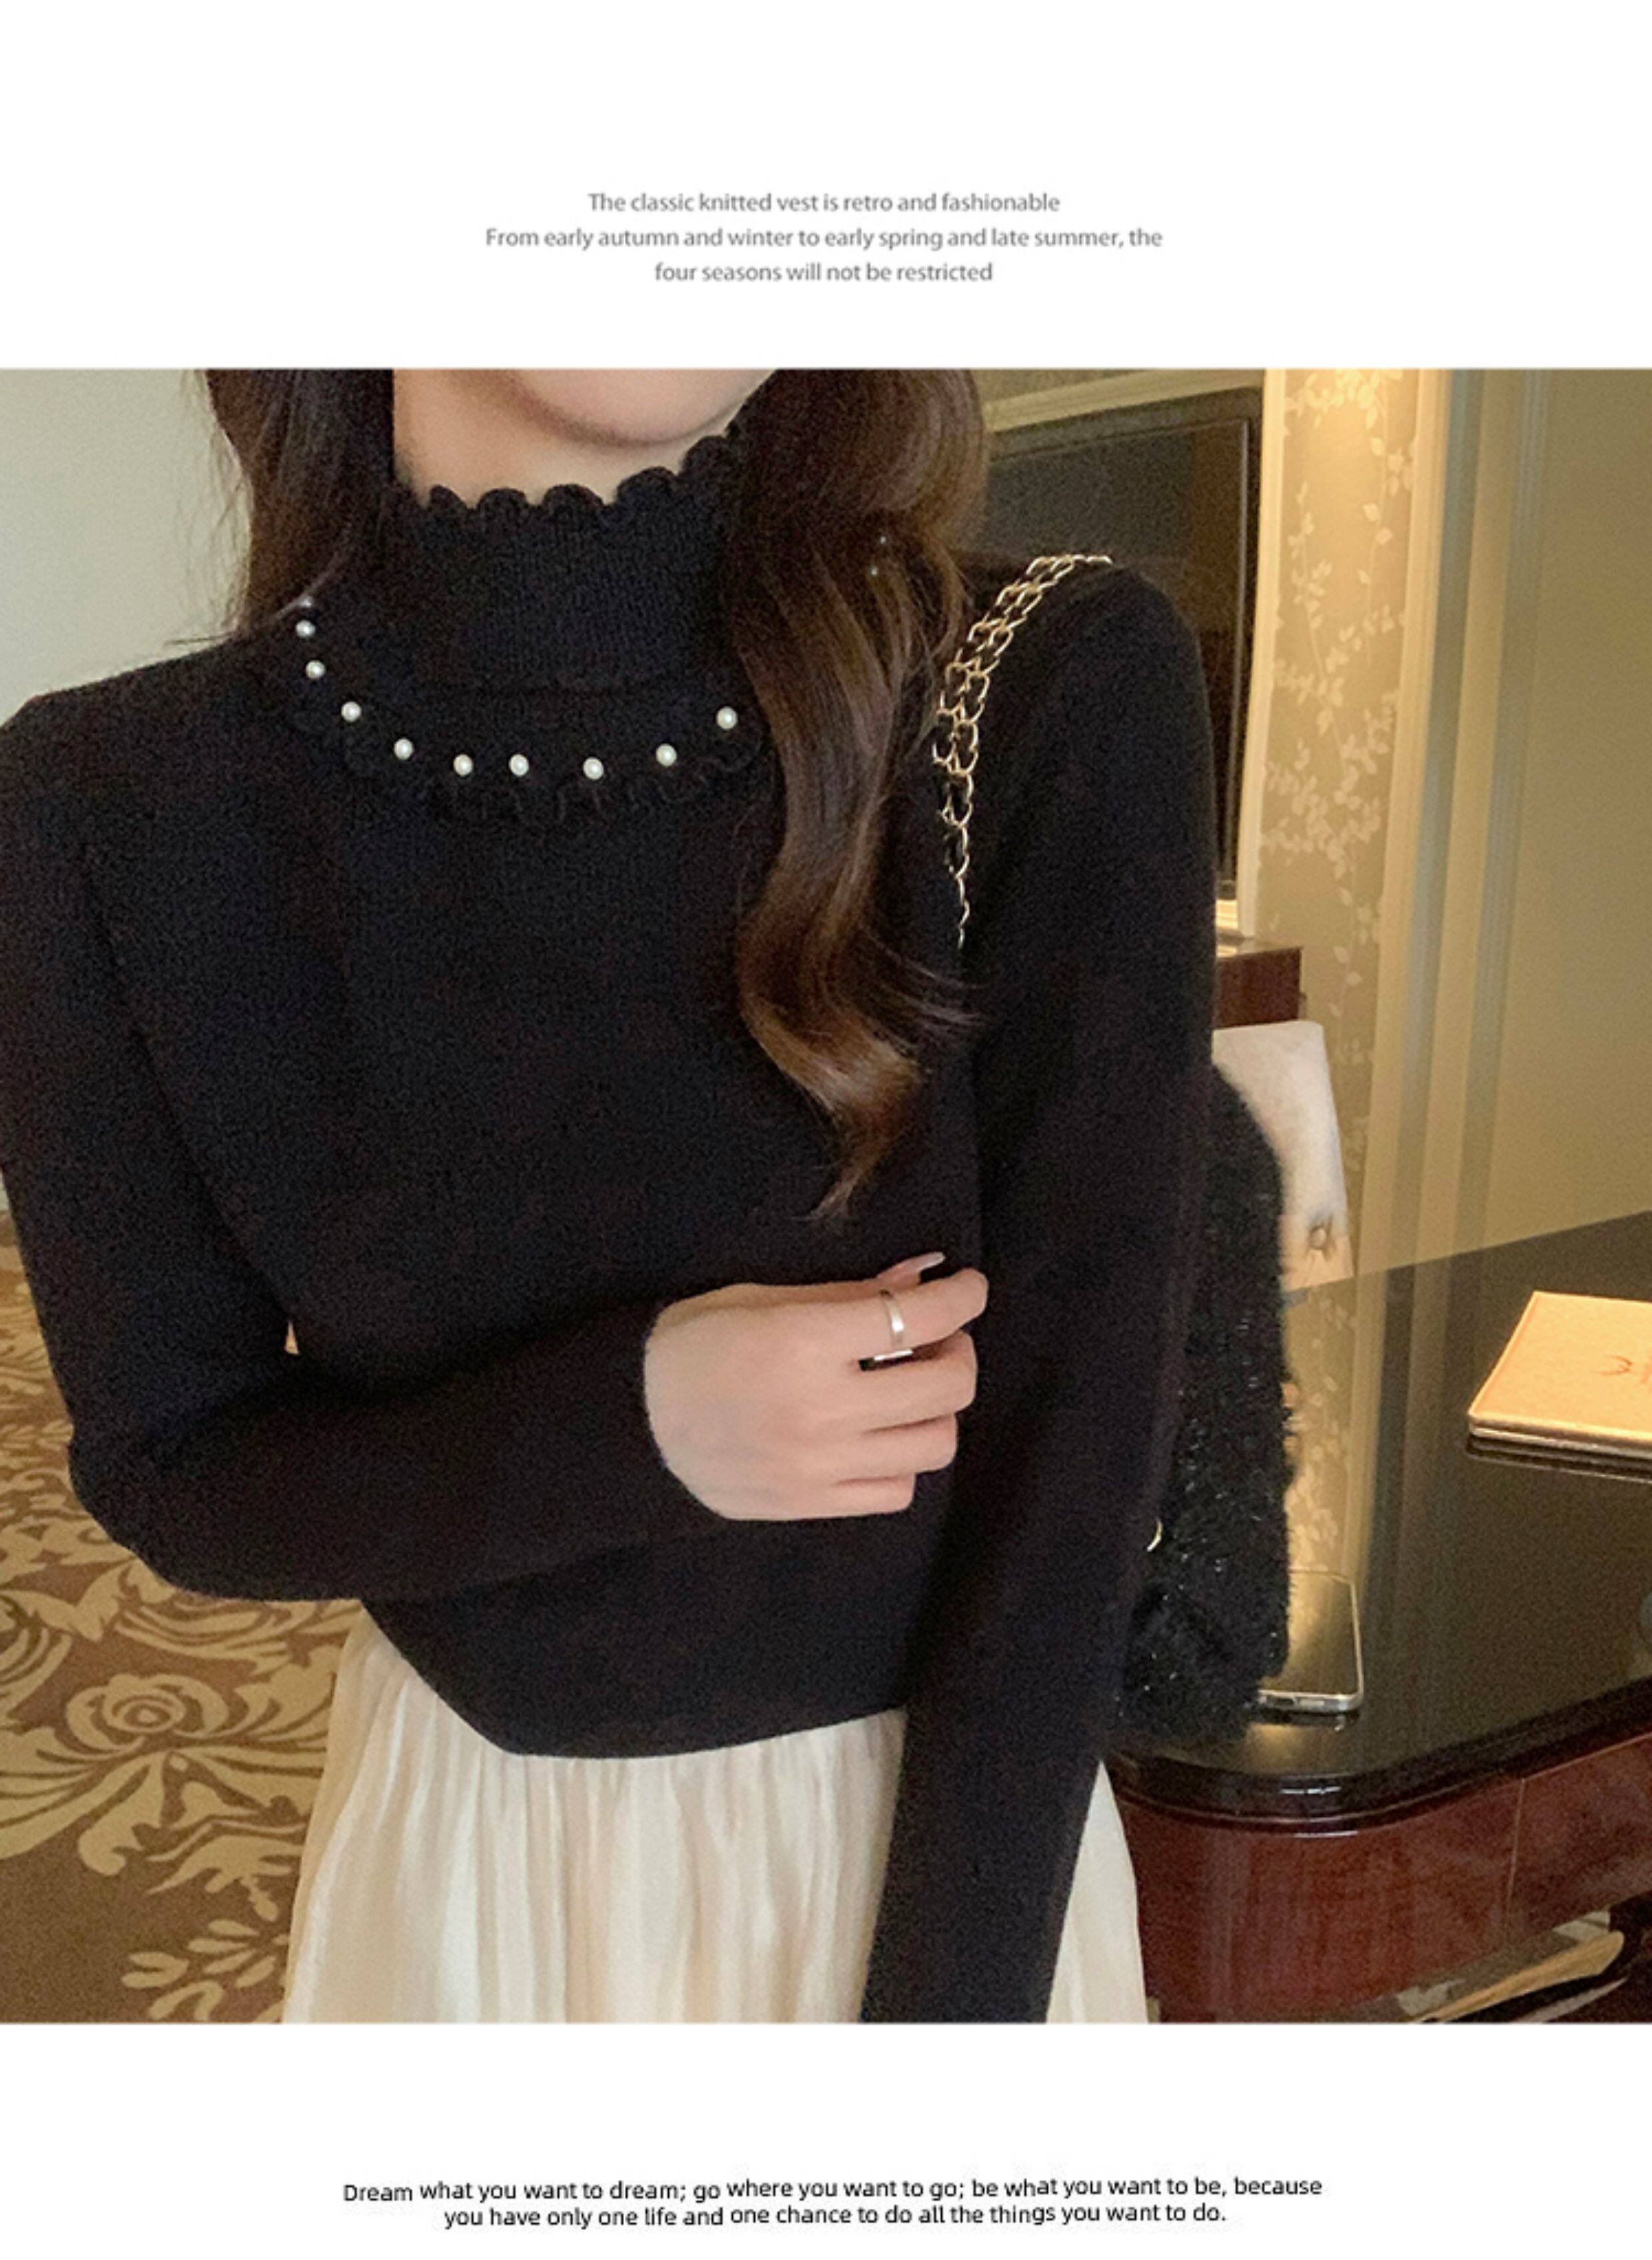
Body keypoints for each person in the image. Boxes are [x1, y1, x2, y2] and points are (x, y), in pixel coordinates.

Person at [0, 368, 1217, 2021]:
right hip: (460, 1859)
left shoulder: (1036, 687)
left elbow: (1072, 1495)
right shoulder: (102, 800)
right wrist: (634, 1429)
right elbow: (175, 1465)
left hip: (937, 1883)